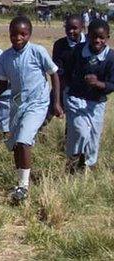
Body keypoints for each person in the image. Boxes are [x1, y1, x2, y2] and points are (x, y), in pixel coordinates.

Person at [0, 16, 62, 203]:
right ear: (10, 34)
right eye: (14, 34)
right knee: (15, 144)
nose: (18, 37)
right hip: (17, 105)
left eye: (23, 34)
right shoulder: (6, 57)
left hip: (37, 103)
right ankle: (20, 182)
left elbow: (53, 74)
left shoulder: (38, 51)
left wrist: (56, 102)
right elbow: (2, 85)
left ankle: (24, 187)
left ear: (29, 34)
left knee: (23, 141)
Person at [64, 19, 114, 173]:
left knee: (93, 137)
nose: (97, 40)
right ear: (88, 35)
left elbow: (112, 84)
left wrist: (99, 84)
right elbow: (67, 71)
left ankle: (88, 166)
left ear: (108, 37)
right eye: (94, 37)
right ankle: (72, 160)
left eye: (102, 38)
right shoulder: (79, 51)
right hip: (76, 98)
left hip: (96, 103)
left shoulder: (110, 57)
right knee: (80, 131)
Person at [48, 15, 86, 124]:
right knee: (47, 115)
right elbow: (58, 72)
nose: (70, 31)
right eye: (67, 28)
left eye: (74, 28)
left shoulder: (89, 43)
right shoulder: (60, 45)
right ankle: (38, 136)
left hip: (83, 90)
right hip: (63, 85)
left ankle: (66, 140)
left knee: (74, 123)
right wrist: (57, 99)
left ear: (82, 27)